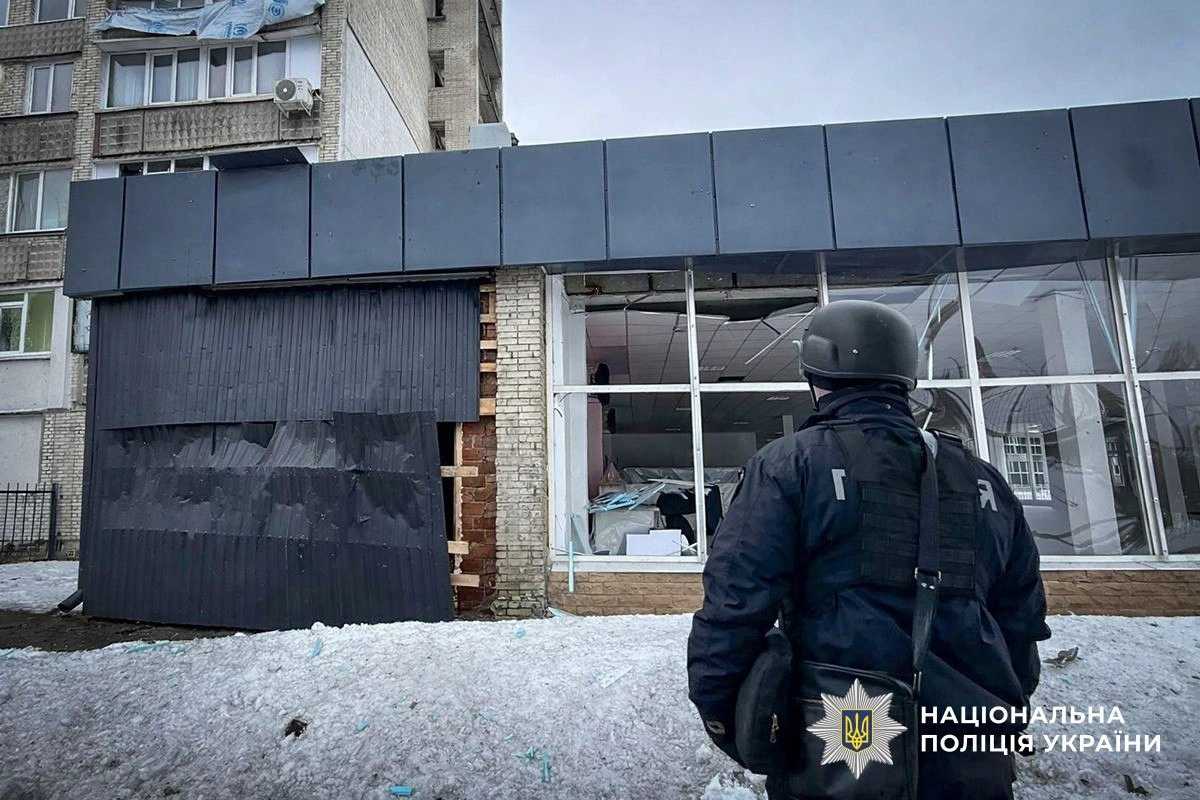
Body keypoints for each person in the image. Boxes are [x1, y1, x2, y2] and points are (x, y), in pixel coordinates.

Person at [687, 299, 1051, 800]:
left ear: (816, 373)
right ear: (904, 377)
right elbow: (1021, 626)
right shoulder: (984, 481)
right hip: (973, 753)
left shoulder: (790, 467)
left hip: (843, 749)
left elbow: (733, 609)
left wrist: (732, 724)